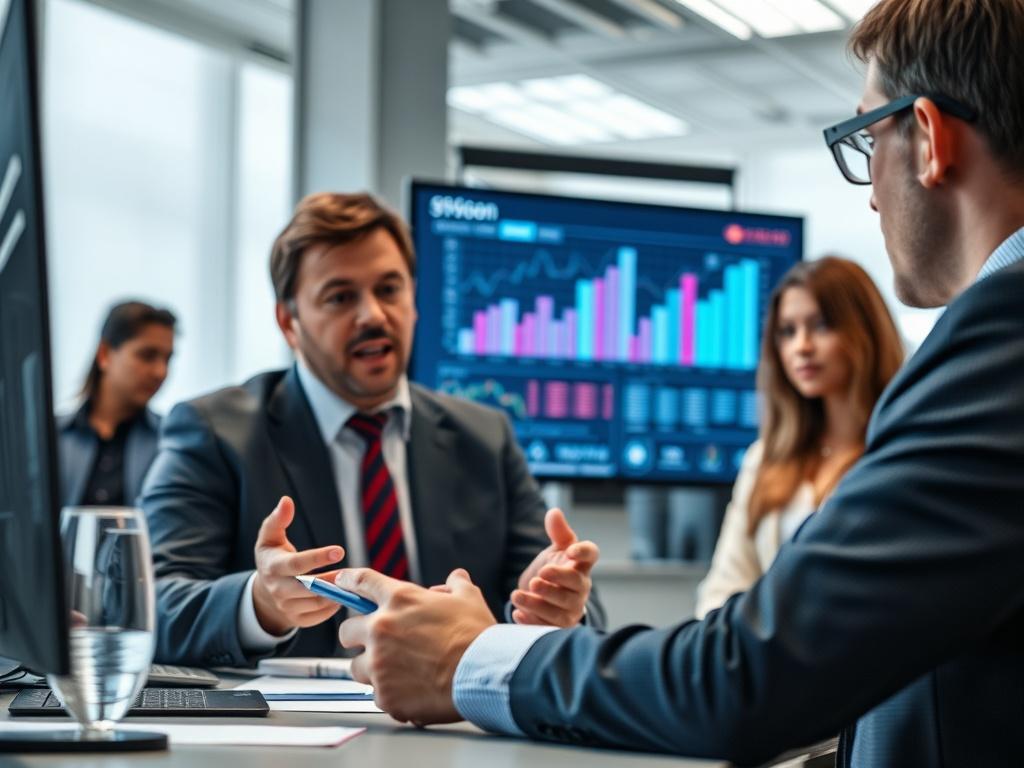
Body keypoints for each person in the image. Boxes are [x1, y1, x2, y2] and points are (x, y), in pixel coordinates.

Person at [332, 1, 1024, 765]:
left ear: (926, 137)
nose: (868, 190)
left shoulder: (1004, 338)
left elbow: (752, 678)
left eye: (867, 138)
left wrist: (469, 657)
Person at [143, 192, 604, 668]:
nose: (373, 316)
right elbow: (150, 606)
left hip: (457, 721)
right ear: (289, 322)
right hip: (292, 734)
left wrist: (551, 608)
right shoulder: (214, 432)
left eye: (389, 289)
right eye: (341, 297)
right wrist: (260, 602)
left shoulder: (485, 437)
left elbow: (562, 606)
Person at [695, 257, 903, 618]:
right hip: (760, 664)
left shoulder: (897, 454)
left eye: (820, 326)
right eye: (787, 332)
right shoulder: (764, 459)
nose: (801, 347)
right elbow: (722, 588)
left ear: (864, 331)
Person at [57, 300, 176, 509]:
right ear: (105, 354)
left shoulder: (172, 442)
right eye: (147, 356)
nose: (161, 372)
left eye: (167, 359)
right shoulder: (50, 436)